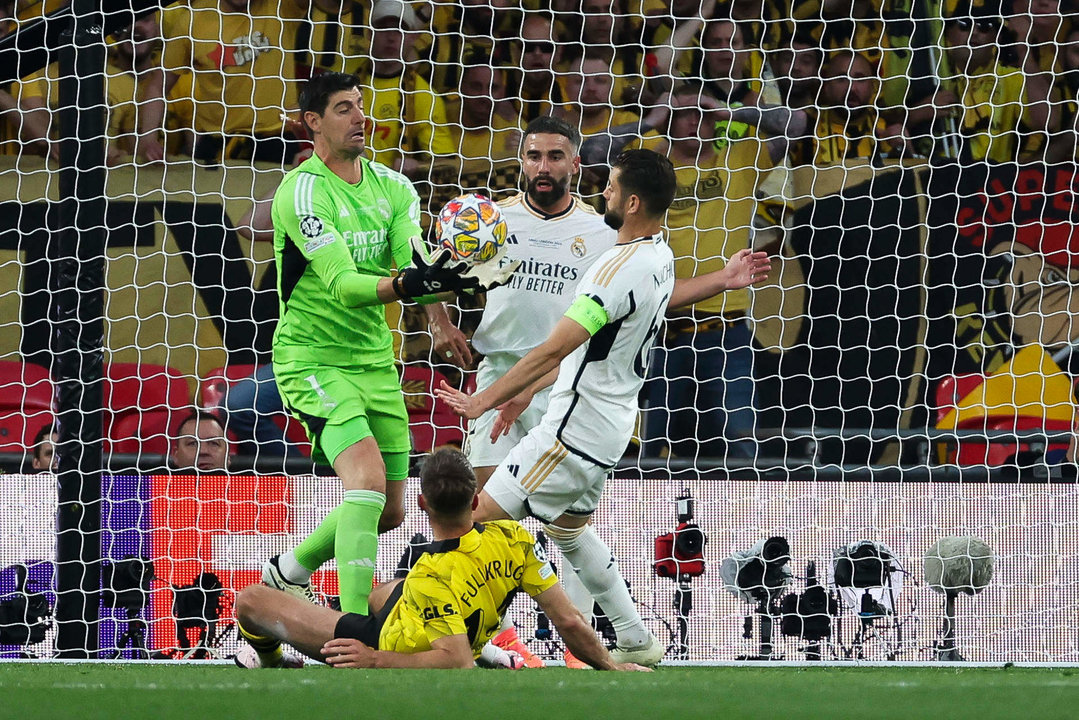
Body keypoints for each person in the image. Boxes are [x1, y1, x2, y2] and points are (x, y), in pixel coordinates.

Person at [436, 149, 771, 666]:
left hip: (570, 433)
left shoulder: (610, 270)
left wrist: (484, 398)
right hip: (611, 426)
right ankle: (637, 637)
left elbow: (556, 346)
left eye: (612, 187)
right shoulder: (659, 254)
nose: (605, 194)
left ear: (632, 201)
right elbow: (593, 347)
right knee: (569, 533)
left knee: (472, 522)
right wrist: (723, 280)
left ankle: (469, 641)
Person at [260, 71, 507, 617]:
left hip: (375, 361)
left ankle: (286, 572)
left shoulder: (395, 187)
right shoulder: (300, 193)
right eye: (344, 108)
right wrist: (406, 286)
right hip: (313, 360)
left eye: (361, 106)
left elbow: (416, 264)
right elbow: (346, 288)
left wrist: (442, 312)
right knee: (366, 485)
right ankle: (349, 630)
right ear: (313, 121)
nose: (359, 117)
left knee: (392, 510)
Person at [233, 449, 649, 671]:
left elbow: (455, 661)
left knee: (251, 599)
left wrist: (375, 659)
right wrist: (611, 667)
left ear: (421, 504)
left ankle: (269, 658)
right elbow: (571, 620)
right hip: (420, 610)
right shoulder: (515, 537)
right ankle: (494, 651)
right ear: (475, 499)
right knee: (386, 591)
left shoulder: (428, 574)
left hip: (383, 641)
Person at [465, 114, 619, 667]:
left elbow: (598, 330)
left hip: (566, 384)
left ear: (576, 164)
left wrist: (537, 383)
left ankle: (577, 649)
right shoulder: (491, 221)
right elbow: (419, 262)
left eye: (556, 156)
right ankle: (499, 640)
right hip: (498, 371)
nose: (543, 167)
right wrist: (440, 322)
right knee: (483, 511)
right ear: (521, 162)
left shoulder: (605, 234)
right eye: (534, 156)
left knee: (568, 520)